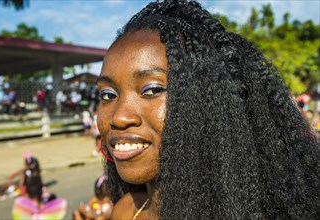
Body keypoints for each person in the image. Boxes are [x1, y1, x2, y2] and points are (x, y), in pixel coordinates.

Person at [96, 0, 320, 219]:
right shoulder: (126, 212)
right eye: (108, 95)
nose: (119, 117)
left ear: (212, 103)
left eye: (152, 89)